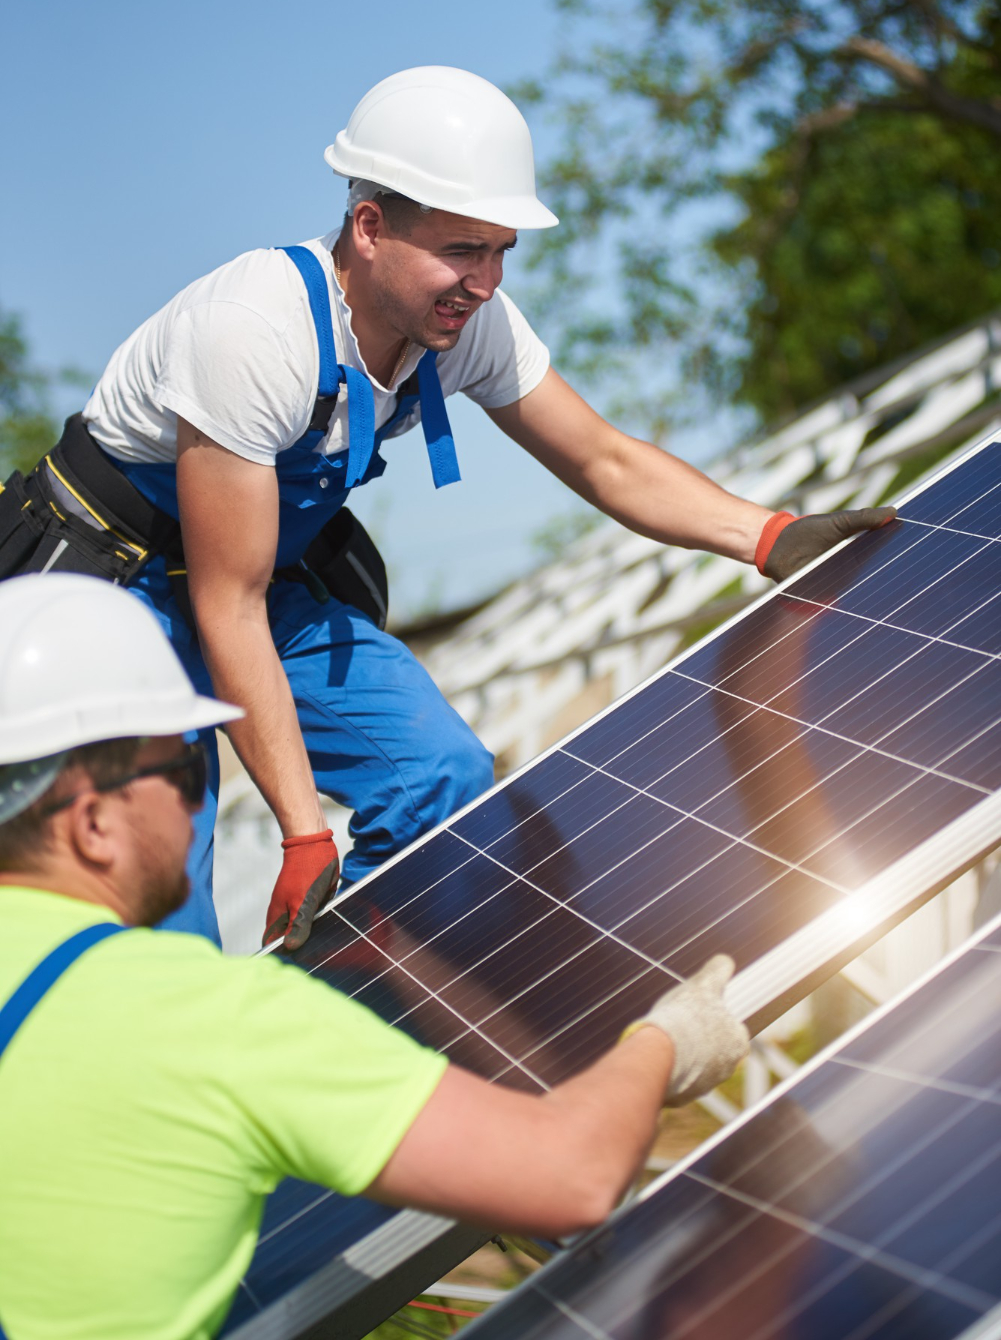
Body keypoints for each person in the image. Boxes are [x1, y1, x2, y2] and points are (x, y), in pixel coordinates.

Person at [0, 66, 894, 948]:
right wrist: (304, 832)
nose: (487, 280)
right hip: (108, 593)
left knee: (440, 777)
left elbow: (606, 461)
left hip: (250, 582)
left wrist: (770, 535)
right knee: (154, 886)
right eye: (463, 250)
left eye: (503, 248)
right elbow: (222, 606)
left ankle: (346, 1014)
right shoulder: (257, 330)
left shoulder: (465, 329)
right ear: (369, 226)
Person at [0, 574, 749, 1340]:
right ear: (91, 823)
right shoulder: (209, 1017)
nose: (199, 804)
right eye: (185, 770)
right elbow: (573, 1176)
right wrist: (663, 1040)